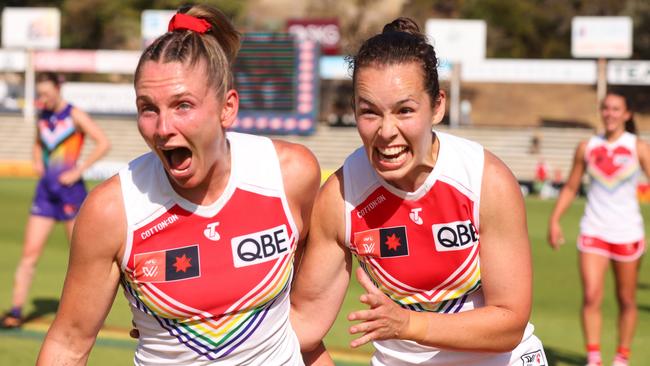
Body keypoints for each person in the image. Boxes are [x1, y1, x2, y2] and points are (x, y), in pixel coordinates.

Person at [37, 4, 322, 365]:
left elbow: (307, 312)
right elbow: (69, 344)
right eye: (148, 108)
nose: (162, 128)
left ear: (227, 108)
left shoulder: (289, 174)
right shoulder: (113, 210)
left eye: (182, 105)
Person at [291, 17, 546, 366]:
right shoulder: (340, 197)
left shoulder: (485, 180)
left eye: (405, 110)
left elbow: (509, 323)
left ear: (437, 106)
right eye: (369, 112)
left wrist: (408, 323)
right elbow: (303, 327)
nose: (386, 131)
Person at [1, 72, 110, 328]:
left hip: (71, 194)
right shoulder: (43, 115)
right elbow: (39, 142)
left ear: (58, 89)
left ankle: (88, 314)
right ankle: (15, 311)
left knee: (82, 258)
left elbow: (103, 142)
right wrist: (37, 159)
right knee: (29, 254)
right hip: (45, 193)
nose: (44, 99)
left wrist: (79, 170)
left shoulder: (75, 115)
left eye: (47, 94)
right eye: (40, 94)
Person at [548, 90, 649, 366]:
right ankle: (594, 357)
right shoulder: (587, 146)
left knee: (626, 299)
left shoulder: (638, 147)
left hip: (628, 232)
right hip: (593, 230)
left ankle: (622, 356)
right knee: (592, 295)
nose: (610, 114)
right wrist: (555, 219)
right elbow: (571, 186)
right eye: (606, 108)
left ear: (626, 115)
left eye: (616, 109)